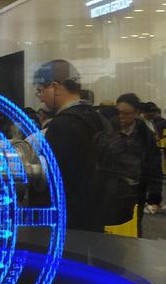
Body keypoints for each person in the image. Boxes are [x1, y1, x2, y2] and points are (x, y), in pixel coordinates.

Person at [32, 59, 109, 233]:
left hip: (67, 222)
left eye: (40, 91)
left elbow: (51, 179)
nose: (41, 98)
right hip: (94, 215)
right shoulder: (99, 119)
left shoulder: (62, 124)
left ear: (55, 87)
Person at [114, 93, 162, 233]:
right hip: (112, 188)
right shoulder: (108, 129)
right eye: (119, 112)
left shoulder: (145, 134)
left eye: (126, 113)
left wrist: (155, 194)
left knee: (134, 224)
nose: (121, 117)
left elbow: (154, 164)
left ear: (136, 113)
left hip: (136, 190)